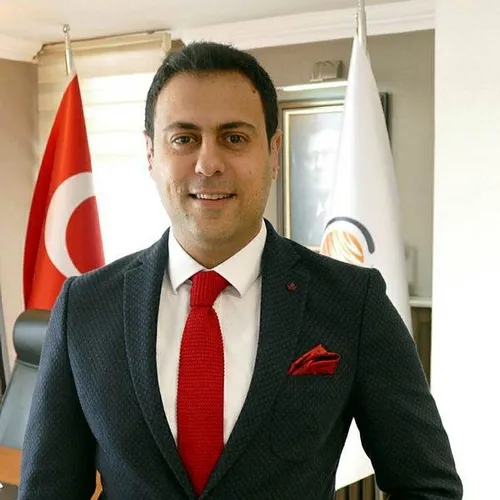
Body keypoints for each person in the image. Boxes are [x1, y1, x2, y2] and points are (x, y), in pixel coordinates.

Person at [19, 41, 462, 499]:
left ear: (273, 152)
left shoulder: (352, 303)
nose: (208, 163)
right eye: (184, 138)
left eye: (234, 138)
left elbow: (428, 488)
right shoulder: (85, 308)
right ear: (151, 153)